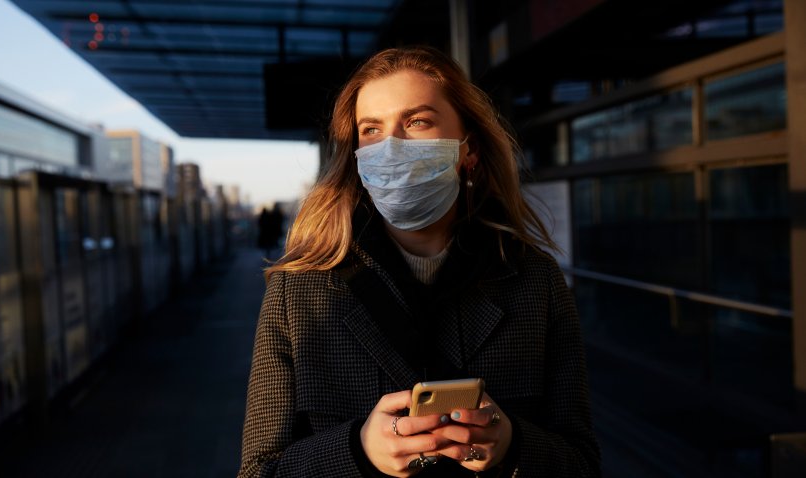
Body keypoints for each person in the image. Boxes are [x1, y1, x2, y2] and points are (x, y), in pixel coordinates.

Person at [238, 46, 600, 477]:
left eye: (418, 121)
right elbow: (259, 470)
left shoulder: (535, 282)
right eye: (371, 129)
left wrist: (512, 444)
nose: (391, 147)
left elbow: (582, 463)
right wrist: (358, 452)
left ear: (469, 150)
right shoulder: (297, 290)